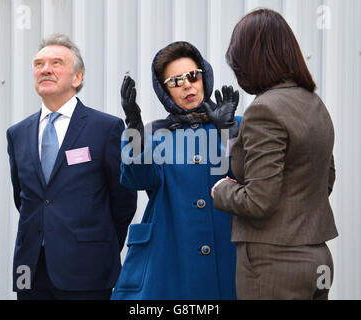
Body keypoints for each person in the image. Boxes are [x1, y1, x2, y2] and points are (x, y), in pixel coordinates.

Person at [209, 8, 338, 300]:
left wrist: (223, 191)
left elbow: (258, 201)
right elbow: (325, 179)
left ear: (251, 62)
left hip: (274, 264)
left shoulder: (264, 109)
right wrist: (232, 135)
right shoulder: (314, 105)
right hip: (317, 259)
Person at [6, 33, 137, 300]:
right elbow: (26, 199)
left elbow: (123, 200)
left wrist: (97, 244)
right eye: (39, 64)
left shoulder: (106, 128)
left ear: (77, 78)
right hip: (30, 269)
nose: (45, 69)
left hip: (87, 270)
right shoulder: (17, 133)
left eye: (56, 63)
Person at [111, 41, 241, 299]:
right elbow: (137, 179)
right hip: (170, 259)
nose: (186, 85)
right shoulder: (153, 134)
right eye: (175, 81)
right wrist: (134, 129)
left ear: (204, 76)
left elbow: (249, 179)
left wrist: (228, 134)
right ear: (164, 91)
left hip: (230, 255)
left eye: (193, 76)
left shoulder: (235, 124)